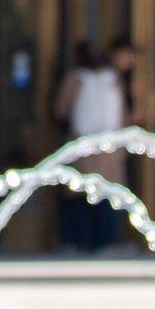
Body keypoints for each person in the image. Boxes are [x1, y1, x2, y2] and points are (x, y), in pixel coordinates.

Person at [53, 40, 127, 254]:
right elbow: (123, 116)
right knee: (107, 194)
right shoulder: (113, 80)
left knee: (78, 194)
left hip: (81, 143)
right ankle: (106, 242)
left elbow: (61, 111)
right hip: (109, 146)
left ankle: (78, 242)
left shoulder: (75, 79)